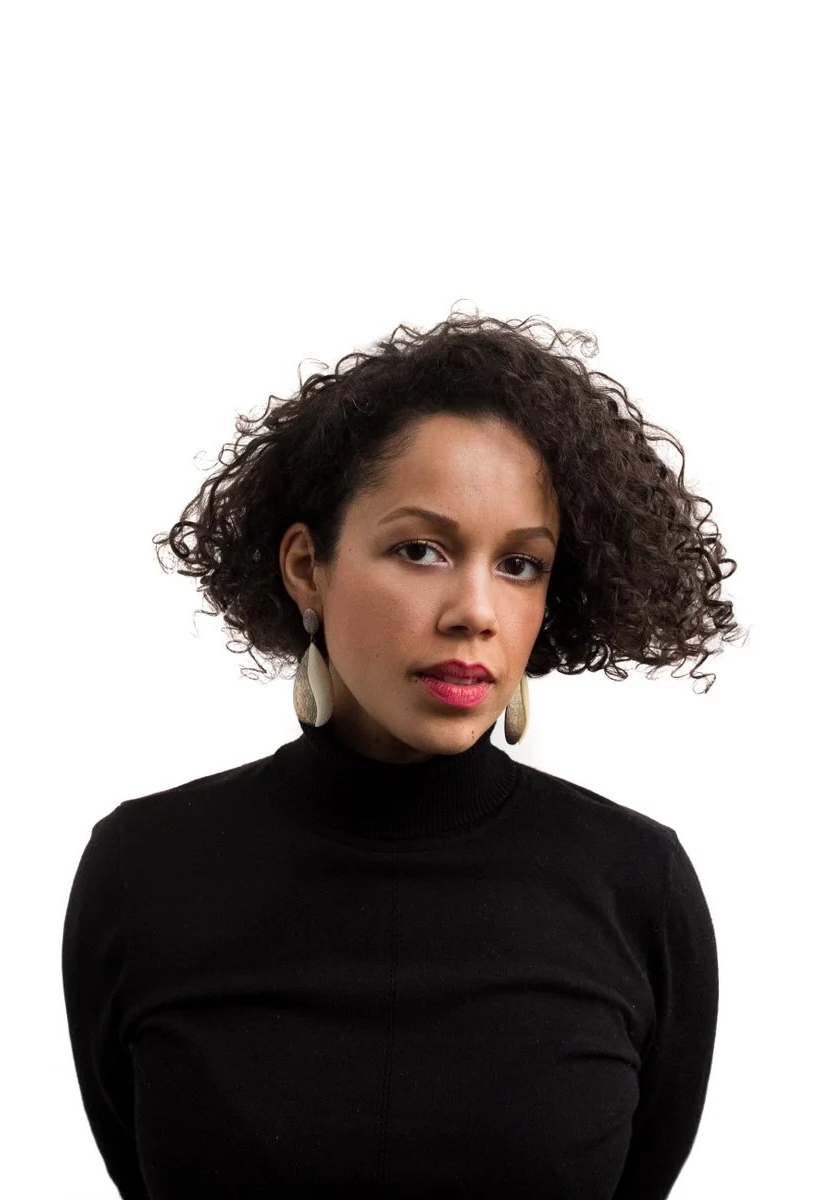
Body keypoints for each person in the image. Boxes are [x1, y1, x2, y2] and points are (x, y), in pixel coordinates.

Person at [62, 308, 744, 1199]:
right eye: (421, 550)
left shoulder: (636, 886)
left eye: (521, 564)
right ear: (306, 567)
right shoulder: (146, 872)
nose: (476, 612)